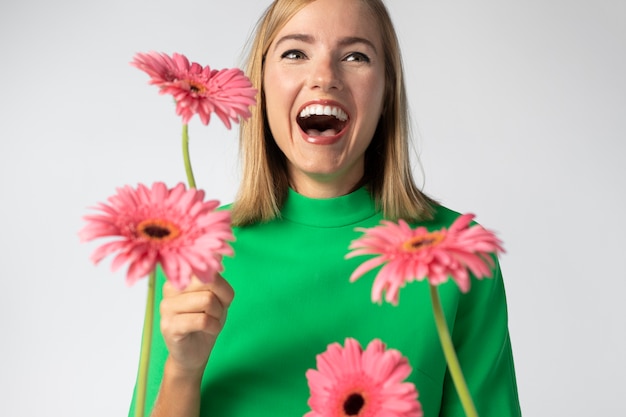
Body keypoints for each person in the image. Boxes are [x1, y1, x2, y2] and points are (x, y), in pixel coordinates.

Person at [128, 0, 522, 416]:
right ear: (259, 85)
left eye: (355, 56)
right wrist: (182, 370)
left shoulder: (457, 255)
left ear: (387, 91)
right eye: (295, 53)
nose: (324, 78)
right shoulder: (191, 254)